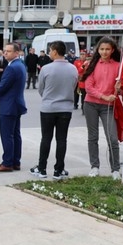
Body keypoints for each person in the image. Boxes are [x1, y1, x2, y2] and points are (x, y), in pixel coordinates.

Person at [29, 41, 78, 179]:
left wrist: (48, 98)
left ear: (55, 51)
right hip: (66, 108)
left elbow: (41, 89)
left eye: (50, 50)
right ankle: (59, 170)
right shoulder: (73, 68)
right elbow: (73, 86)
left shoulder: (46, 68)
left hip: (48, 108)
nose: (49, 53)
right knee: (62, 139)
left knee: (46, 138)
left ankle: (42, 169)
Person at [82, 37, 121, 178]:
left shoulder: (118, 66)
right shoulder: (91, 65)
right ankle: (94, 166)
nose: (104, 52)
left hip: (108, 107)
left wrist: (119, 89)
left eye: (107, 49)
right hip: (91, 104)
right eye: (102, 49)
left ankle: (115, 169)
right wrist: (104, 96)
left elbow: (121, 89)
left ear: (112, 50)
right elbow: (89, 87)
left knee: (112, 138)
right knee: (93, 137)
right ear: (97, 50)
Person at [0, 43, 27, 172]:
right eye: (4, 51)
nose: (5, 53)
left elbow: (3, 86)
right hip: (17, 104)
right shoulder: (20, 65)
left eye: (8, 51)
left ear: (16, 53)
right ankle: (16, 162)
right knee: (15, 134)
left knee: (7, 135)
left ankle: (7, 163)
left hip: (9, 106)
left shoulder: (12, 68)